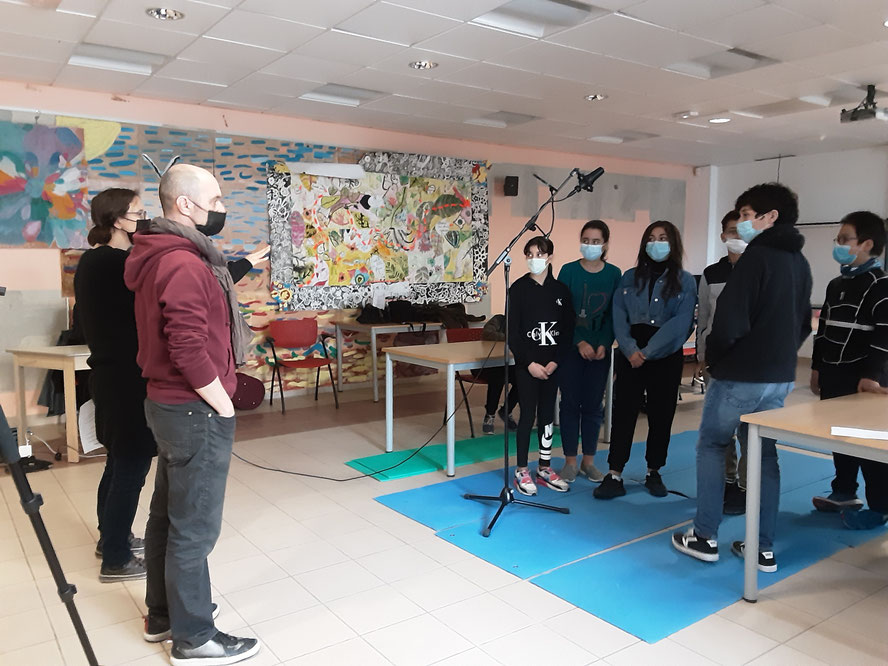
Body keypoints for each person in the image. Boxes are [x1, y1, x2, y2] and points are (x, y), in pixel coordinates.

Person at [125, 164, 260, 665]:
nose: (221, 208)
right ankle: (195, 636)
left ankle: (164, 615)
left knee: (168, 515)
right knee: (194, 527)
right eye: (216, 199)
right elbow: (186, 345)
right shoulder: (182, 262)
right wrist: (221, 402)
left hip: (170, 405)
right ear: (186, 204)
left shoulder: (160, 253)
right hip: (192, 409)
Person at [673, 182, 812, 574]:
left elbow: (729, 322)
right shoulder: (800, 263)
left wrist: (716, 362)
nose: (743, 223)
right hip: (779, 377)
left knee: (712, 446)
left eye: (748, 215)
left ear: (771, 217)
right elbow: (804, 323)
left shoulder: (756, 258)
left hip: (740, 375)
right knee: (764, 455)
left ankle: (704, 535)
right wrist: (781, 358)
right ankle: (762, 547)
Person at [74, 188, 154, 583]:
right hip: (125, 381)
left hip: (110, 377)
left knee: (118, 463)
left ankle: (112, 540)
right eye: (138, 213)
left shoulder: (94, 261)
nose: (144, 219)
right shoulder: (115, 263)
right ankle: (117, 559)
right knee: (131, 466)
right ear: (118, 220)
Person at [595, 221, 697, 499]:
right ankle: (614, 472)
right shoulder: (629, 277)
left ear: (673, 243)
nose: (656, 243)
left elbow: (681, 323)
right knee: (623, 412)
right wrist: (630, 349)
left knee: (661, 414)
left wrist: (649, 352)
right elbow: (619, 315)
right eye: (651, 238)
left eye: (662, 238)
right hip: (631, 351)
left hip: (665, 354)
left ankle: (654, 470)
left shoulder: (685, 280)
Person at [810, 211, 888, 530]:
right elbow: (823, 329)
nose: (839, 245)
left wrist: (872, 376)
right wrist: (816, 367)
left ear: (867, 244)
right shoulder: (836, 284)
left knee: (866, 445)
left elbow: (884, 336)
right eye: (838, 239)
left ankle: (880, 506)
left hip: (863, 379)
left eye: (845, 239)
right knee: (838, 436)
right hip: (833, 373)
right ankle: (843, 490)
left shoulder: (881, 285)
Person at [508, 235, 575, 496]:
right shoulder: (518, 289)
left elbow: (567, 330)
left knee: (547, 416)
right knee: (527, 415)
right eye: (530, 254)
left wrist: (555, 361)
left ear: (550, 256)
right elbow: (513, 332)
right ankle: (522, 468)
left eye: (539, 254)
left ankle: (544, 467)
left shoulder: (561, 291)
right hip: (528, 366)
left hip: (551, 365)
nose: (534, 259)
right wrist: (529, 363)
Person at [556, 220, 621, 483]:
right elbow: (561, 313)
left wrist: (604, 343)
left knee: (594, 405)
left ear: (605, 244)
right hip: (571, 350)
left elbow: (614, 314)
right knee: (570, 404)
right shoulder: (568, 271)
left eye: (596, 241)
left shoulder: (614, 274)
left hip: (600, 352)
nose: (590, 245)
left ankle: (589, 461)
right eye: (586, 240)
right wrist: (579, 342)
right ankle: (570, 461)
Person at [696, 210, 748, 515]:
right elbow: (704, 318)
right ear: (722, 235)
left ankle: (746, 486)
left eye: (741, 231)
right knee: (720, 428)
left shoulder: (759, 271)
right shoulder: (711, 274)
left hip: (749, 366)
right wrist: (702, 356)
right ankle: (727, 481)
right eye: (731, 231)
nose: (736, 237)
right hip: (717, 363)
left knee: (747, 429)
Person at [478, 314, 519, 435]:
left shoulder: (522, 321)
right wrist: (510, 337)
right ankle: (490, 414)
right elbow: (487, 333)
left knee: (522, 378)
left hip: (510, 363)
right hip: (487, 364)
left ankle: (507, 410)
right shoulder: (499, 320)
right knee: (498, 378)